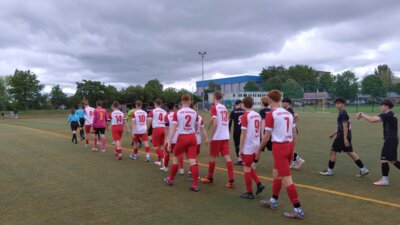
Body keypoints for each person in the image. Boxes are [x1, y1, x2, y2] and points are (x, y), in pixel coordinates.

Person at [257, 90, 304, 220]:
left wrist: (258, 150)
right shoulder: (288, 113)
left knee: (287, 179)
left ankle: (298, 209)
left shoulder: (272, 114)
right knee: (276, 173)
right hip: (288, 146)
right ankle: (273, 201)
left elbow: (266, 137)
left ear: (270, 100)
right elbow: (294, 134)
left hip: (280, 148)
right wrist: (292, 149)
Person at [319, 97, 369, 177]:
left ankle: (330, 170)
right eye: (336, 103)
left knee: (333, 152)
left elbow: (345, 126)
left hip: (342, 136)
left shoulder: (343, 113)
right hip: (345, 135)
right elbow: (341, 126)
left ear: (343, 104)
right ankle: (363, 169)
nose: (337, 105)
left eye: (339, 103)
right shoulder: (342, 112)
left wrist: (345, 138)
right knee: (350, 152)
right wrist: (333, 133)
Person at [357, 99, 400, 186]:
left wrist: (362, 114)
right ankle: (384, 179)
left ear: (386, 106)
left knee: (384, 159)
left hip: (390, 140)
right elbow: (375, 117)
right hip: (392, 139)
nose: (380, 107)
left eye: (381, 105)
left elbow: (372, 120)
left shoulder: (388, 115)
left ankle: (385, 180)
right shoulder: (390, 114)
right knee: (392, 160)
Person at [163, 94, 201, 192]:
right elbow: (197, 128)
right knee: (193, 160)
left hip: (182, 137)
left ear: (181, 101)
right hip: (193, 137)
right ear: (190, 101)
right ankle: (195, 185)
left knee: (176, 158)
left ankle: (170, 179)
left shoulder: (178, 113)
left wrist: (169, 141)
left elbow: (173, 128)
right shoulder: (195, 112)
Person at [201, 91, 235, 189]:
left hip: (218, 136)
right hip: (225, 135)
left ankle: (209, 177)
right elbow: (225, 120)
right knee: (227, 157)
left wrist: (211, 137)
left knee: (212, 157)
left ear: (215, 97)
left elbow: (215, 123)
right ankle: (231, 180)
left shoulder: (214, 107)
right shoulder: (224, 107)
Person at [238, 96, 265, 199]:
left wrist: (240, 149)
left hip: (249, 145)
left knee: (246, 168)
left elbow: (243, 134)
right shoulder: (257, 115)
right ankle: (259, 184)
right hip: (256, 144)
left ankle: (249, 192)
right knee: (249, 166)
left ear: (243, 104)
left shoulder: (246, 116)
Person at [282, 98, 305, 170]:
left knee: (289, 148)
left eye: (284, 102)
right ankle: (294, 162)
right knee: (290, 147)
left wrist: (293, 122)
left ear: (288, 103)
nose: (283, 103)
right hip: (290, 130)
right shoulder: (288, 110)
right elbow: (297, 116)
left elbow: (296, 116)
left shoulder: (289, 110)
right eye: (282, 102)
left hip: (291, 131)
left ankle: (299, 160)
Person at [164, 102, 185, 173]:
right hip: (178, 137)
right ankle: (181, 169)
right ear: (174, 107)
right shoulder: (179, 114)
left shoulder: (167, 116)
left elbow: (166, 128)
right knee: (179, 154)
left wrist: (166, 139)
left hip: (170, 137)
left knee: (167, 153)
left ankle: (166, 167)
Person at [253, 96, 272, 169]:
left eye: (261, 101)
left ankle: (254, 164)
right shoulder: (271, 110)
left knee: (259, 149)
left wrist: (262, 134)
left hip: (265, 132)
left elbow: (263, 122)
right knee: (273, 149)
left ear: (263, 102)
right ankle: (279, 163)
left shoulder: (262, 111)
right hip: (271, 132)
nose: (260, 103)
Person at [148, 99, 167, 169]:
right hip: (163, 129)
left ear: (155, 103)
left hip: (157, 129)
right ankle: (159, 161)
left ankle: (164, 158)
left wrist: (147, 129)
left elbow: (149, 121)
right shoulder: (164, 111)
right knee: (160, 146)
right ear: (161, 104)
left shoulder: (153, 111)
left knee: (155, 146)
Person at [229, 99, 245, 165]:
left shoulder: (233, 112)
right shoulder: (245, 111)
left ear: (236, 104)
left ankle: (240, 159)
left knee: (237, 144)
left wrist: (228, 129)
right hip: (244, 130)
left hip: (236, 130)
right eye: (242, 103)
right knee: (244, 144)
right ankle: (245, 159)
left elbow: (230, 122)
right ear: (240, 104)